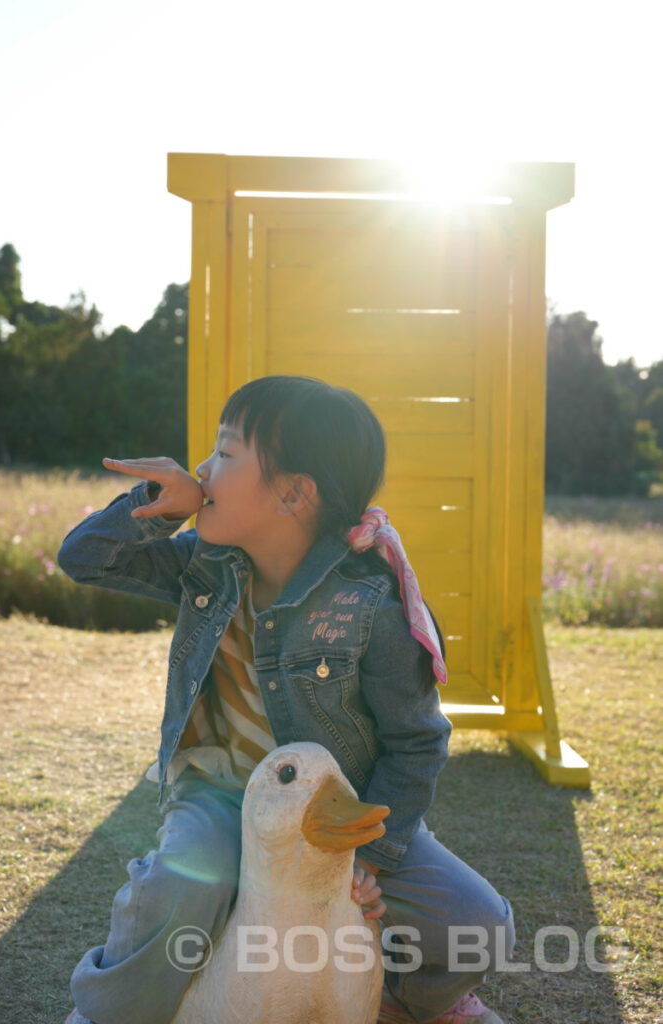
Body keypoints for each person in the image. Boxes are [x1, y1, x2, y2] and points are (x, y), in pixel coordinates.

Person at [58, 375, 514, 1024]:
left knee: (478, 920)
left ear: (295, 493)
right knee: (179, 891)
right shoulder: (202, 566)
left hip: (338, 809)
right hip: (219, 792)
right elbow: (85, 558)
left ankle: (400, 1001)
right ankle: (111, 1013)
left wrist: (366, 857)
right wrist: (158, 501)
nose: (202, 470)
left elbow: (416, 744)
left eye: (224, 453)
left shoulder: (372, 602)